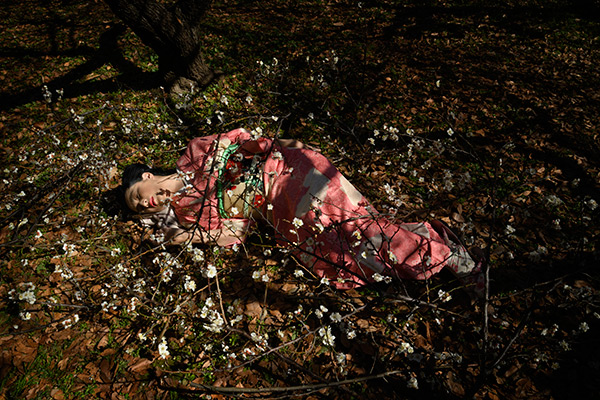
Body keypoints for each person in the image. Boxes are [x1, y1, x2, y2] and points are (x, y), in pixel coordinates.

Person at [122, 128, 483, 293]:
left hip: (289, 171)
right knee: (340, 256)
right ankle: (427, 239)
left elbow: (248, 141)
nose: (142, 204)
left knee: (358, 229)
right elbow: (236, 231)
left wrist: (290, 145)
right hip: (280, 213)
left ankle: (450, 258)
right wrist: (186, 237)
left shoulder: (195, 152)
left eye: (136, 195)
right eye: (138, 209)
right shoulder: (188, 212)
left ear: (146, 176)